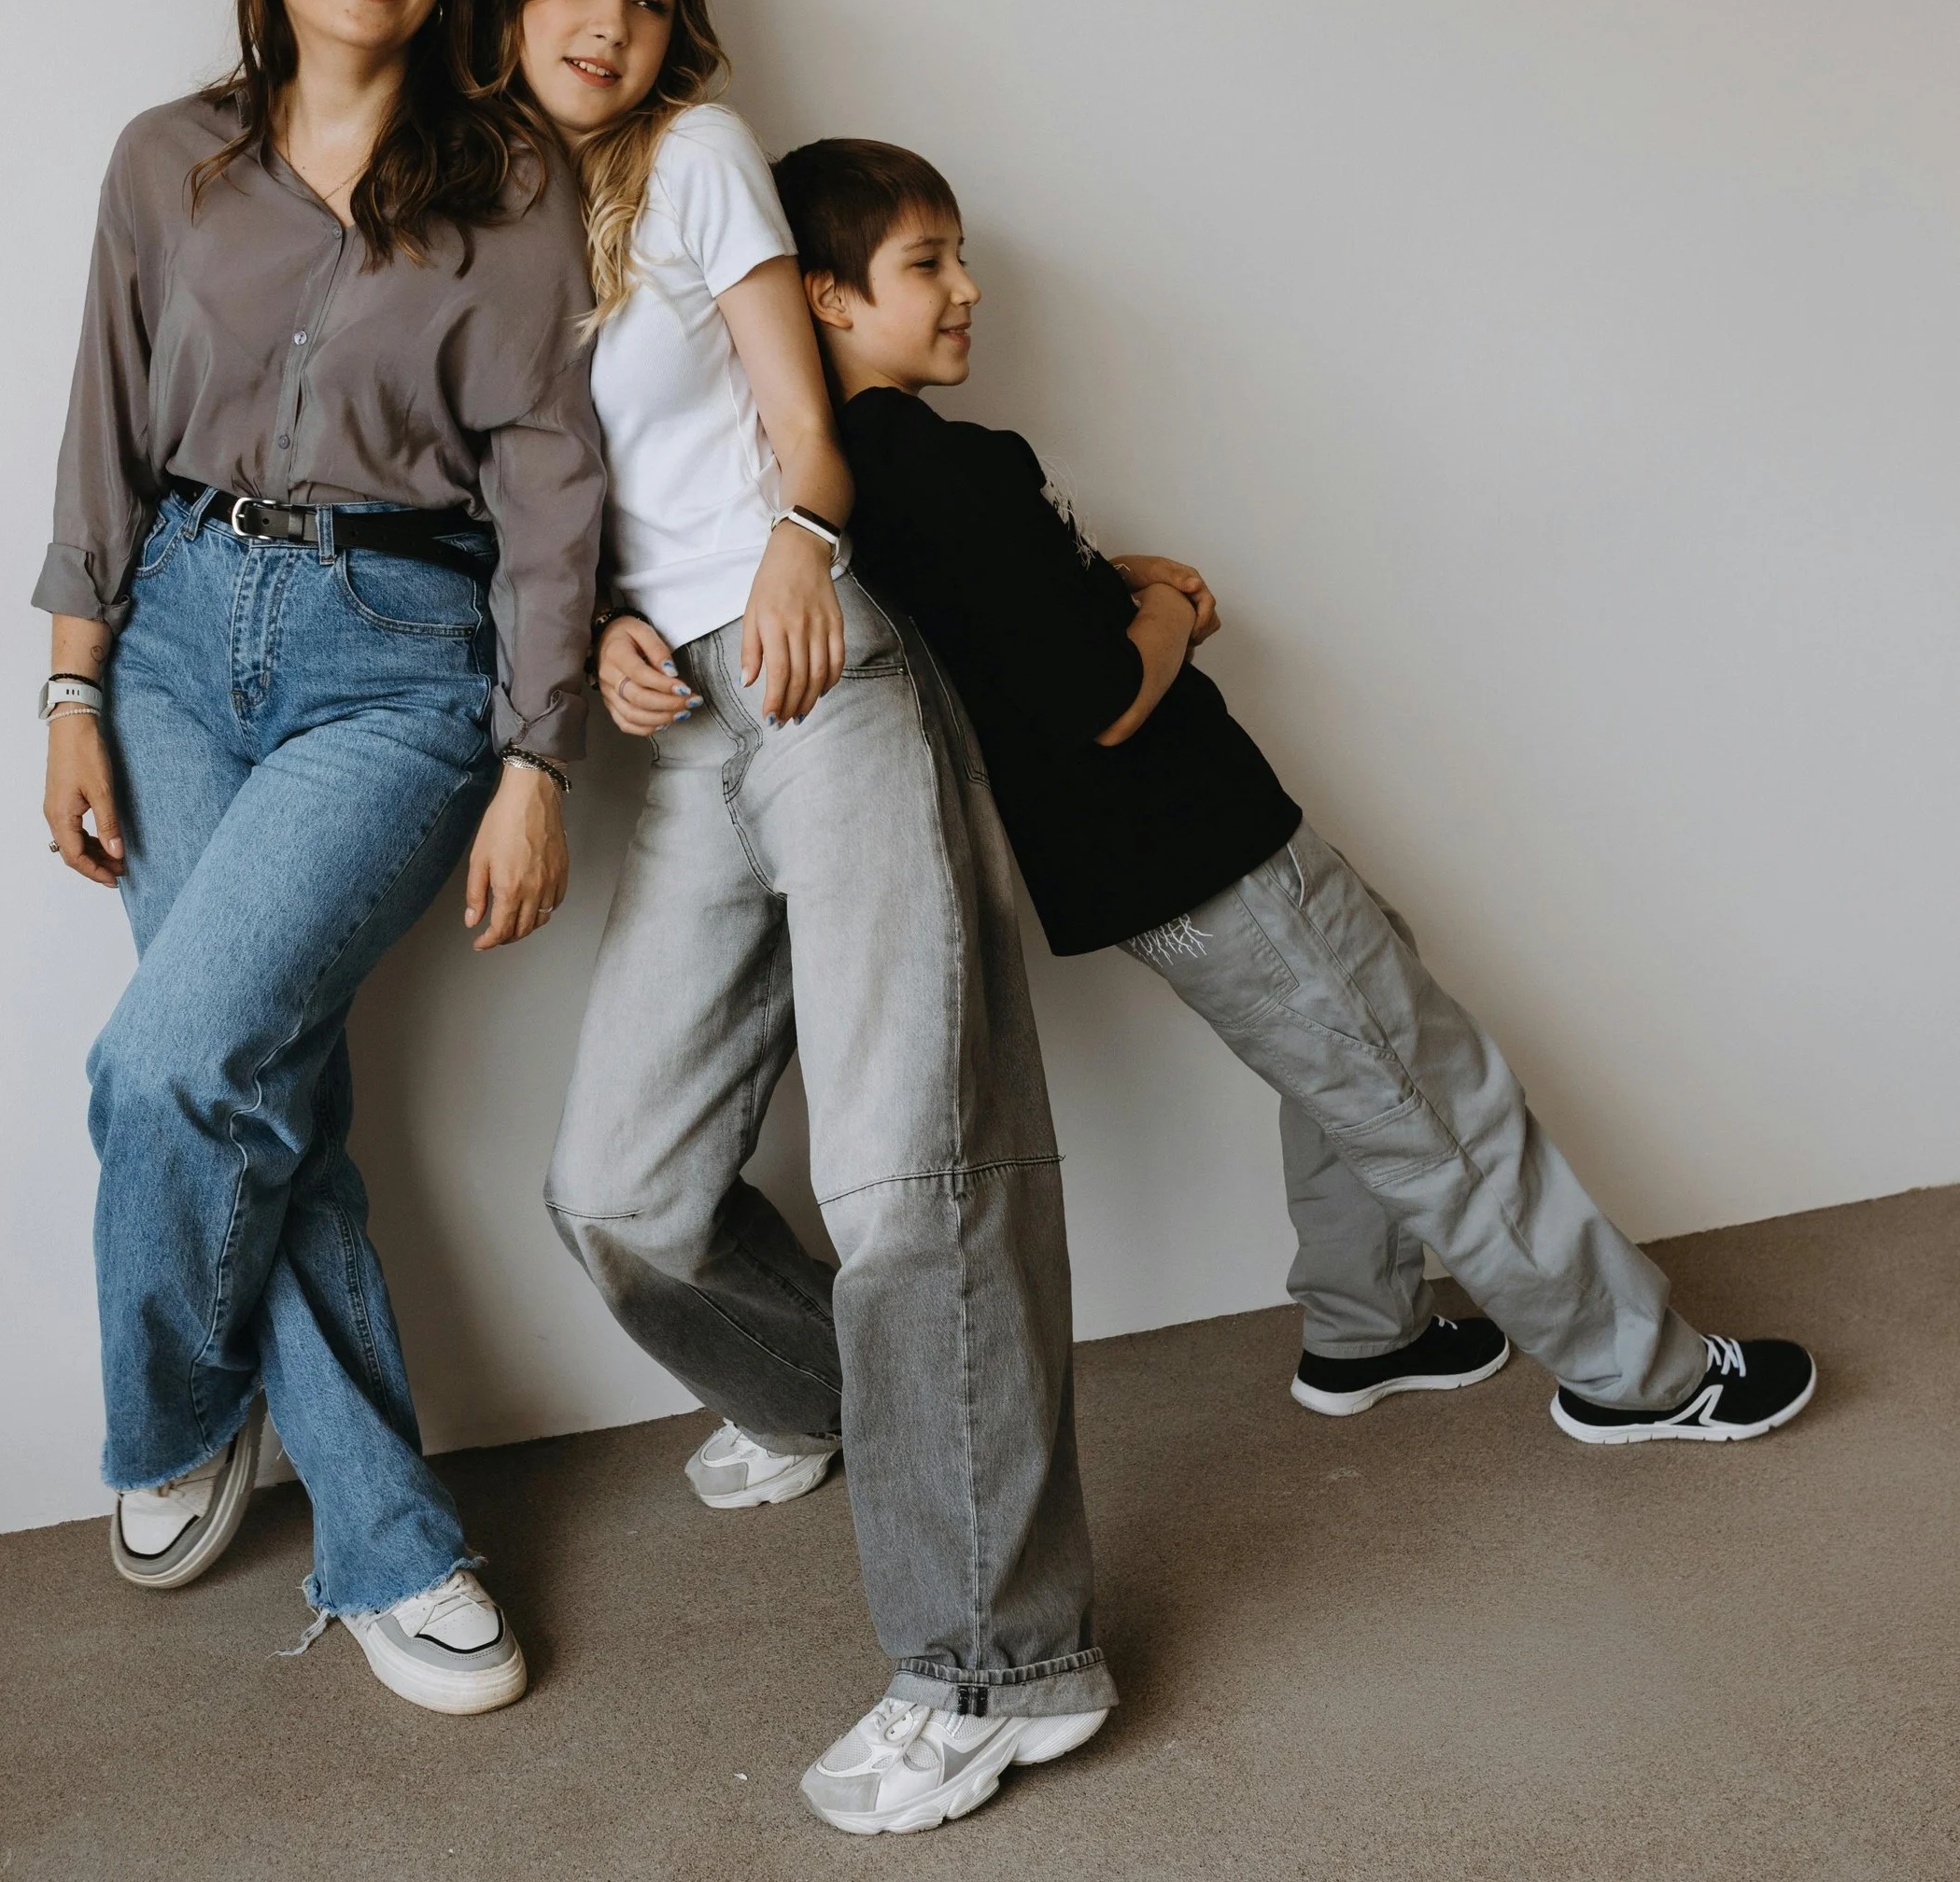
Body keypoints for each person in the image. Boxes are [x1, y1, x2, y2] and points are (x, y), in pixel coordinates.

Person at [777, 136, 1817, 1449]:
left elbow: (1021, 612)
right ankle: (1642, 1371)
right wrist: (1166, 614)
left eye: (962, 255)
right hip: (1190, 841)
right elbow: (1095, 695)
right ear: (828, 294)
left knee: (1378, 1017)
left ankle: (1362, 1327)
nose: (968, 286)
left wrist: (1127, 581)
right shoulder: (939, 465)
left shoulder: (894, 471)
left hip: (1178, 849)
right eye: (927, 263)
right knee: (1429, 1088)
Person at [489, 0, 1114, 1836]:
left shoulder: (695, 158)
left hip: (826, 677)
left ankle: (1004, 1667)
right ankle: (847, 1406)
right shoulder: (507, 230)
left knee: (910, 1170)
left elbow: (800, 439)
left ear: (682, 43)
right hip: (680, 728)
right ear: (511, 4)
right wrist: (600, 627)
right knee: (619, 1192)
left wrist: (795, 545)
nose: (611, 21)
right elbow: (581, 506)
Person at [35, 0, 604, 1714]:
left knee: (175, 1066)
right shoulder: (163, 163)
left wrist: (534, 758)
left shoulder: (512, 188)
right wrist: (67, 691)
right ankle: (387, 1540)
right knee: (265, 1097)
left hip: (398, 657)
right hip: (177, 642)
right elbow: (101, 431)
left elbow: (547, 483)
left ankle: (175, 1413)